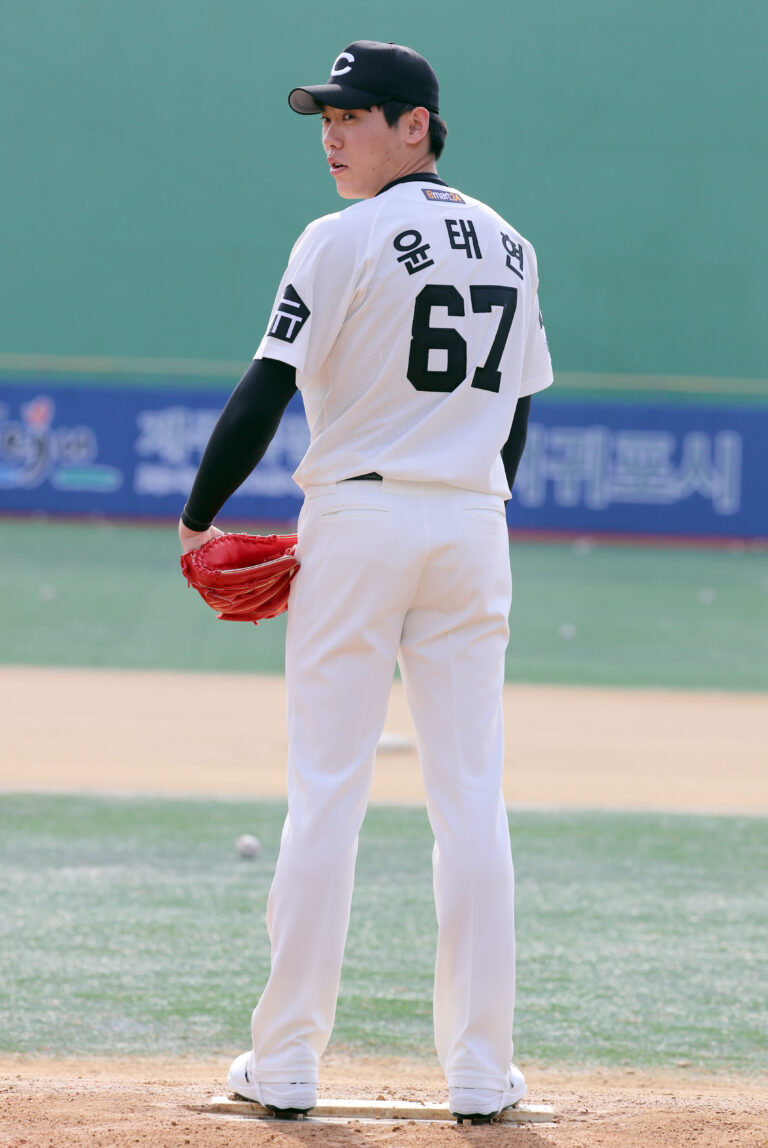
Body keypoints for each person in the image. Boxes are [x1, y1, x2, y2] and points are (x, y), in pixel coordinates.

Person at [179, 40, 553, 1123]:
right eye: (327, 117)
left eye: (356, 115)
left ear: (417, 125)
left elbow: (266, 387)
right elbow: (516, 414)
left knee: (327, 793)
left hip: (359, 516)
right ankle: (480, 1071)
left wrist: (198, 517)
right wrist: (473, 499)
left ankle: (286, 1062)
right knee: (471, 799)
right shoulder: (513, 245)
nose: (334, 134)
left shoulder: (338, 238)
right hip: (473, 524)